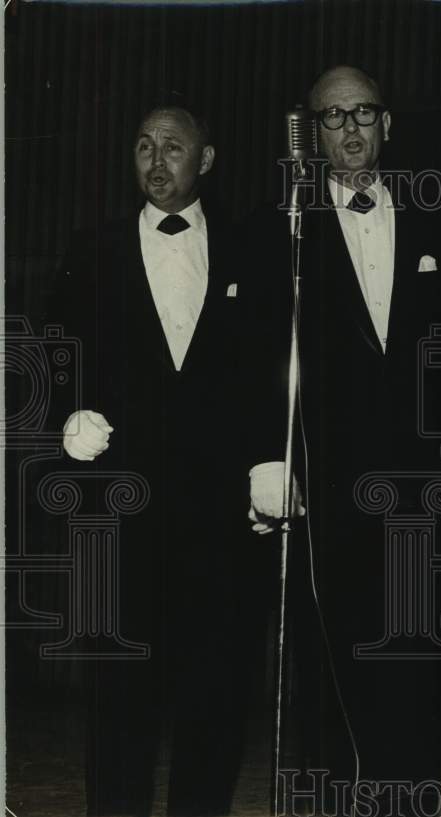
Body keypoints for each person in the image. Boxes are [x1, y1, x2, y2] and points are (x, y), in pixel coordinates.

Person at [245, 65, 441, 814]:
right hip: (329, 491)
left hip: (424, 492)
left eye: (363, 113)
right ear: (312, 132)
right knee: (330, 676)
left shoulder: (435, 222)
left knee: (419, 672)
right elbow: (257, 351)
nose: (350, 128)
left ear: (388, 125)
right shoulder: (281, 228)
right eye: (332, 117)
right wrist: (267, 456)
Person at [56, 105, 258, 816]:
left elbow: (273, 370)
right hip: (120, 514)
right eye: (143, 145)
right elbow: (54, 358)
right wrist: (66, 416)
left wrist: (271, 464)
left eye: (173, 146)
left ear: (205, 160)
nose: (156, 159)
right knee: (118, 700)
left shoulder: (251, 249)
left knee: (215, 696)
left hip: (221, 524)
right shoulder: (92, 247)